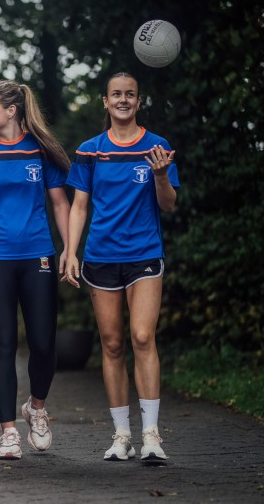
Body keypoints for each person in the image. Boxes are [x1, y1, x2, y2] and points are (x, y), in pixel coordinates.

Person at [62, 72, 179, 462]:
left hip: (144, 254)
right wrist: (70, 251)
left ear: (139, 102)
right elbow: (79, 206)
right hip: (100, 258)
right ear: (105, 101)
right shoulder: (90, 150)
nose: (123, 100)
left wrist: (161, 174)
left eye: (130, 94)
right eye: (117, 94)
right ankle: (121, 435)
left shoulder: (157, 146)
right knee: (112, 344)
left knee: (143, 337)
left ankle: (151, 435)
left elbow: (169, 205)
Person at [0, 80, 71, 460]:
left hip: (38, 255)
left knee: (43, 344)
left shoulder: (41, 150)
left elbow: (59, 204)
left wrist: (69, 249)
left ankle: (36, 408)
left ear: (11, 110)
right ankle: (8, 433)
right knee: (2, 345)